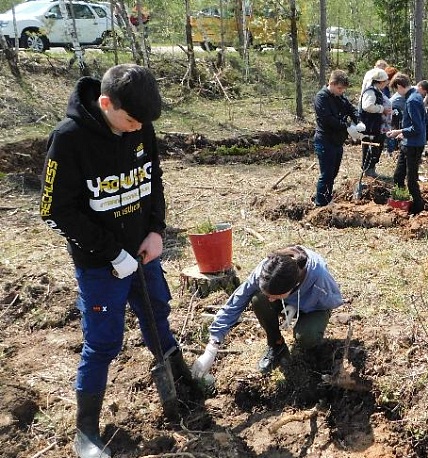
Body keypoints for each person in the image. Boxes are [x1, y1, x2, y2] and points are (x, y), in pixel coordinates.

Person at [39, 64, 194, 458]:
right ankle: (86, 429)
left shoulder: (140, 126)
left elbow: (153, 180)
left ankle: (182, 382)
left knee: (158, 314)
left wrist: (157, 230)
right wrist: (111, 253)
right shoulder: (69, 140)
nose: (137, 128)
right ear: (106, 104)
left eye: (143, 122)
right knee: (104, 342)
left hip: (144, 252)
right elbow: (55, 210)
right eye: (130, 120)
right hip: (100, 266)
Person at [191, 245, 344, 378]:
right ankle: (276, 346)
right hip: (289, 299)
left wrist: (300, 306)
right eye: (271, 295)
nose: (271, 300)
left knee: (306, 336)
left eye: (275, 296)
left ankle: (310, 356)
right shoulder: (267, 270)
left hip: (314, 307)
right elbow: (237, 300)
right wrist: (213, 346)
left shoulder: (319, 277)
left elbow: (331, 303)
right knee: (259, 300)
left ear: (292, 287)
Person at [313, 70, 363, 207]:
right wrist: (347, 126)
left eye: (343, 89)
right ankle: (321, 204)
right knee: (326, 174)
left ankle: (325, 196)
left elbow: (351, 109)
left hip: (337, 141)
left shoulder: (339, 97)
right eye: (340, 88)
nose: (342, 91)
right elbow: (328, 119)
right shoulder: (321, 98)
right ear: (332, 84)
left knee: (333, 173)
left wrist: (358, 121)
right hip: (325, 140)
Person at [387, 75, 428, 215]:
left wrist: (399, 131)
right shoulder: (416, 96)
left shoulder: (412, 101)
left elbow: (417, 127)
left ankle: (418, 208)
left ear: (400, 86)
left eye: (397, 90)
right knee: (398, 176)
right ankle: (401, 202)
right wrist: (404, 133)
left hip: (414, 145)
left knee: (411, 181)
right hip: (408, 142)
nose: (397, 93)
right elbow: (423, 121)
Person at [359, 68, 392, 177]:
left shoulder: (376, 91)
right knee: (370, 147)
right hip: (369, 126)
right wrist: (381, 109)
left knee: (376, 147)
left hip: (375, 125)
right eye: (385, 81)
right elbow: (367, 106)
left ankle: (371, 169)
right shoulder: (370, 91)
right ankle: (368, 171)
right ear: (380, 81)